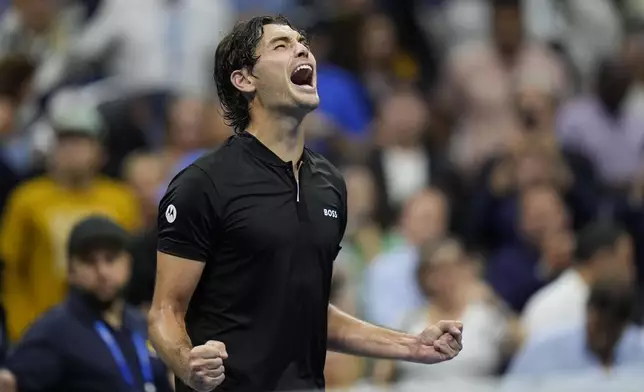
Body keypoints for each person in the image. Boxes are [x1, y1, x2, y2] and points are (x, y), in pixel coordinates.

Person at [149, 15, 464, 392]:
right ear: (244, 79)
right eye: (280, 46)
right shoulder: (202, 184)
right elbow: (165, 312)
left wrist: (410, 344)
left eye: (302, 43)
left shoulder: (329, 184)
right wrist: (187, 364)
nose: (302, 49)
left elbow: (311, 311)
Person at [0, 101, 141, 342]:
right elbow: (11, 271)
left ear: (101, 151)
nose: (72, 150)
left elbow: (134, 265)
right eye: (65, 142)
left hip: (108, 330)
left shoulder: (121, 200)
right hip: (40, 328)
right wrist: (21, 325)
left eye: (81, 142)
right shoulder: (27, 199)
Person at [0, 216, 173, 392]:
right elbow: (9, 384)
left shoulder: (139, 322)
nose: (102, 272)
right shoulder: (55, 330)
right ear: (71, 270)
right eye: (89, 262)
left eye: (111, 259)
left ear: (128, 263)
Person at [505, 278, 644, 384]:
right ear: (589, 314)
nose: (604, 339)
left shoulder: (639, 348)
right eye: (599, 329)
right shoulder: (541, 350)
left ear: (624, 325)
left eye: (612, 332)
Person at [522, 222, 634, 340]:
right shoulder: (557, 306)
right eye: (626, 260)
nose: (631, 271)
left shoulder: (599, 300)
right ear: (602, 260)